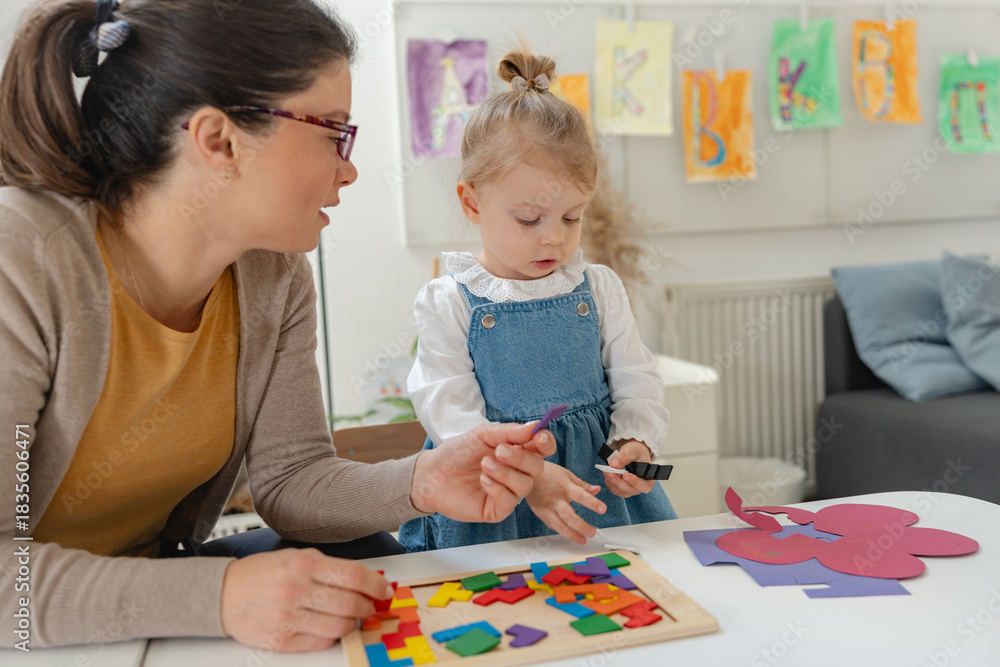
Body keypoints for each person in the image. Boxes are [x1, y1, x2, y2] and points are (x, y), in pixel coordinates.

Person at [0, 0, 559, 652]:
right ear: (218, 140)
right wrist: (221, 596)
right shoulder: (22, 262)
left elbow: (294, 480)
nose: (348, 168)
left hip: (149, 599)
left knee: (365, 565)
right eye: (333, 133)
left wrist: (422, 480)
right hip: (33, 627)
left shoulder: (275, 275)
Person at [398, 48, 677, 553]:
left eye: (571, 217)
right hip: (494, 502)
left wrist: (634, 442)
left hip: (600, 503)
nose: (553, 239)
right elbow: (451, 416)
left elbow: (637, 380)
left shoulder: (599, 288)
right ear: (472, 202)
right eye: (529, 219)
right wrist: (527, 476)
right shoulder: (449, 301)